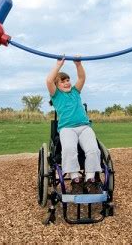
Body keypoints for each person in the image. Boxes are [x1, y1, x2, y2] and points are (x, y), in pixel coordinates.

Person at [46, 56, 102, 195]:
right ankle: (75, 179)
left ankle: (90, 179)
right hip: (67, 128)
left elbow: (82, 78)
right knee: (69, 149)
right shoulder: (56, 95)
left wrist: (78, 64)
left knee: (94, 150)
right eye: (62, 81)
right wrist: (59, 64)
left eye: (67, 80)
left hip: (84, 127)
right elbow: (48, 80)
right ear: (57, 85)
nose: (66, 83)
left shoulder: (75, 92)